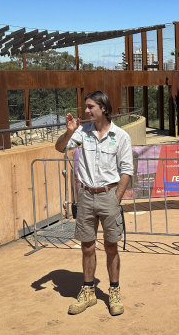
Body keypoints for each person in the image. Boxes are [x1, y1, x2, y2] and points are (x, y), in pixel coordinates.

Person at [55, 90, 133, 316]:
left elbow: (126, 170)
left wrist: (116, 198)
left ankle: (114, 291)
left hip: (109, 194)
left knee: (111, 247)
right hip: (86, 196)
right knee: (87, 246)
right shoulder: (82, 132)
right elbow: (60, 148)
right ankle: (88, 292)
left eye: (91, 107)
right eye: (86, 107)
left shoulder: (121, 136)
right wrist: (68, 133)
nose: (86, 111)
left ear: (104, 109)